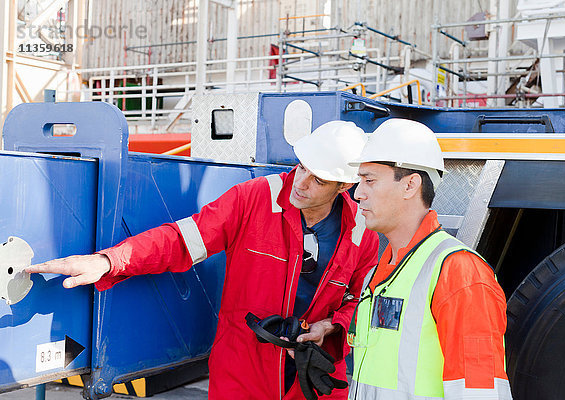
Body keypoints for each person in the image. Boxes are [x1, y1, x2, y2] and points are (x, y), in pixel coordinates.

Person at [26, 120, 379, 400]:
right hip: (242, 377)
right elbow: (181, 240)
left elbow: (361, 300)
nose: (300, 182)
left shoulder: (363, 231)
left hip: (311, 379)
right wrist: (108, 262)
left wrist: (331, 327)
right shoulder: (255, 198)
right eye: (301, 166)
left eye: (317, 179)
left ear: (343, 187)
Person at [346, 119, 512, 400]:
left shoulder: (461, 273)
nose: (358, 193)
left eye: (369, 180)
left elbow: (480, 391)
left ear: (411, 185)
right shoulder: (380, 274)